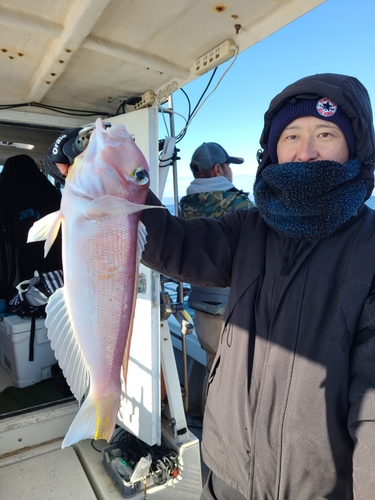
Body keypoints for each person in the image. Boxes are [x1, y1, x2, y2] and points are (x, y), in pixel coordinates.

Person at [44, 73, 375, 500]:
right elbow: (178, 244)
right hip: (226, 471)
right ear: (273, 148)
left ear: (357, 145)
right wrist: (112, 187)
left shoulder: (367, 247)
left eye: (325, 133)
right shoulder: (249, 226)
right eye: (291, 134)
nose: (305, 151)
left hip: (317, 489)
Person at [179, 142, 253, 411]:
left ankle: (213, 433)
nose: (231, 172)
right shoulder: (242, 205)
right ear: (219, 168)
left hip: (200, 307)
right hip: (235, 311)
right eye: (229, 166)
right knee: (242, 382)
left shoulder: (184, 206)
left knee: (214, 371)